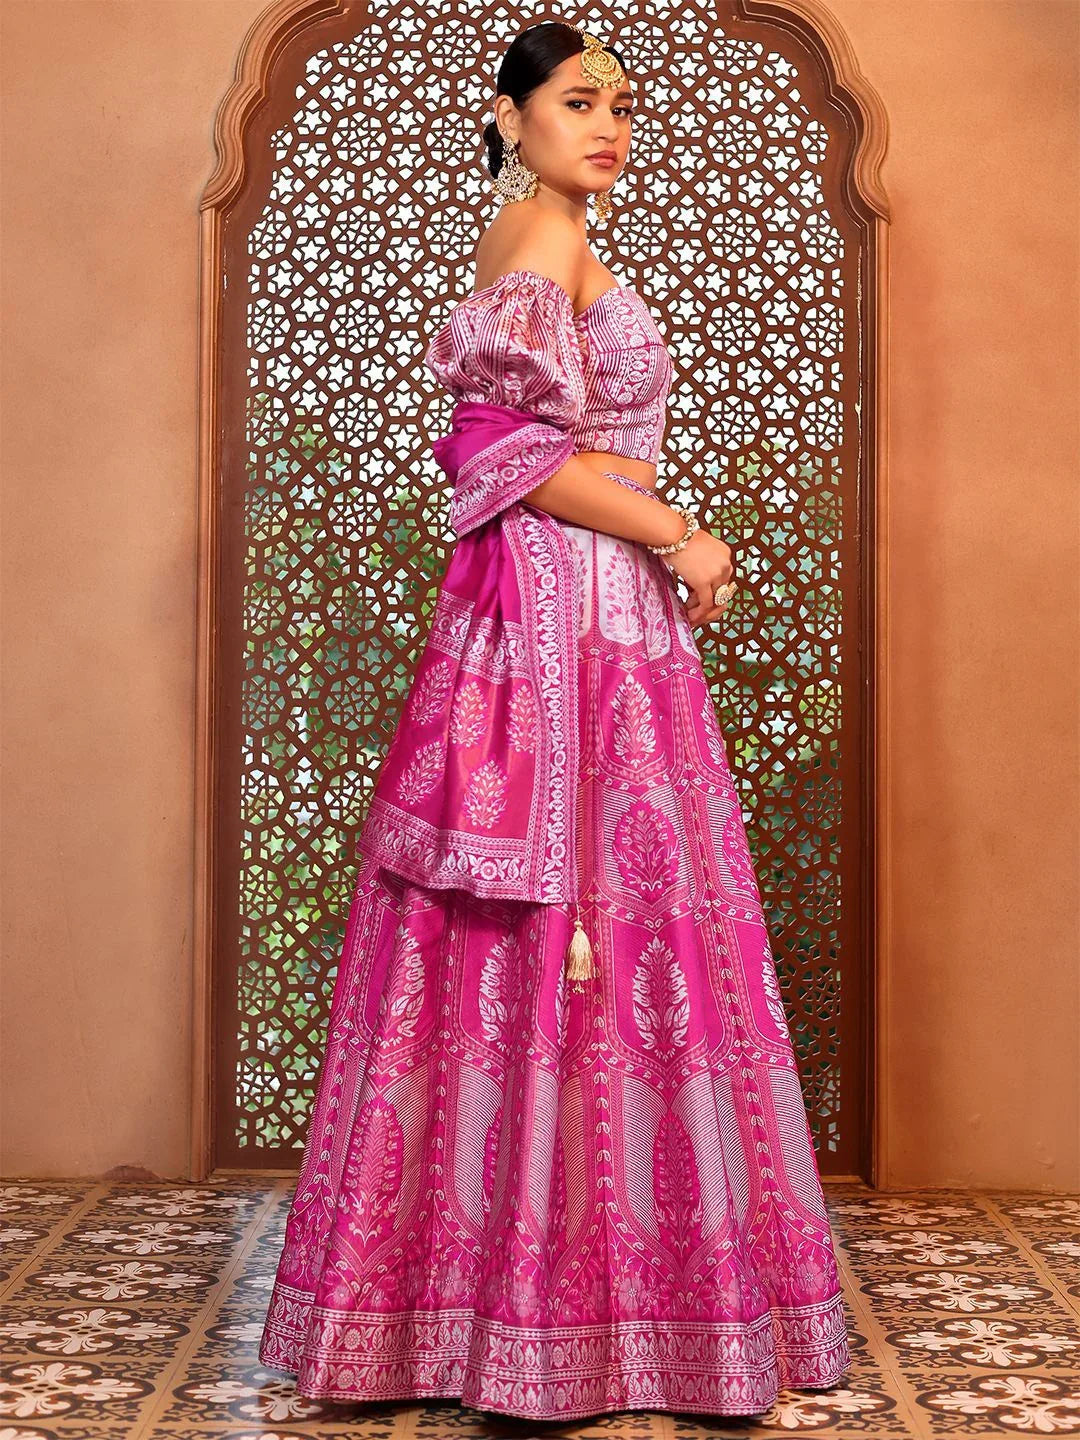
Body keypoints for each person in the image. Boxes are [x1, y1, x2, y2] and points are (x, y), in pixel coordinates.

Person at [258, 19, 852, 1423]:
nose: (608, 127)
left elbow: (545, 445)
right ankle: (566, 1309)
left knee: (610, 938)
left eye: (621, 107)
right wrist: (680, 532)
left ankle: (543, 1304)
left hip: (596, 616)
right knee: (590, 931)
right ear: (512, 114)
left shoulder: (554, 234)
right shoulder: (537, 232)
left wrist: (649, 539)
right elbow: (503, 452)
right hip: (570, 625)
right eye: (578, 101)